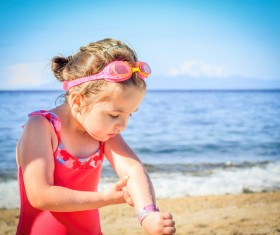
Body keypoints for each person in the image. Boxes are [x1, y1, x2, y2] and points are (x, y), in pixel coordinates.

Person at [16, 38, 176, 235]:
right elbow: (40, 195)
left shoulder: (102, 134)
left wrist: (148, 214)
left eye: (130, 114)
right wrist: (105, 198)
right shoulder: (41, 127)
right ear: (78, 100)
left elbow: (133, 170)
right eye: (114, 115)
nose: (123, 125)